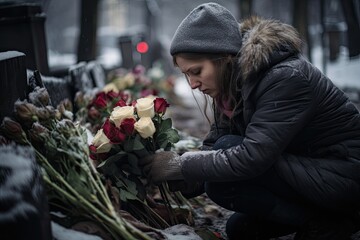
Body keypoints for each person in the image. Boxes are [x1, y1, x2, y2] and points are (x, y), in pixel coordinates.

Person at [139, 2, 360, 239]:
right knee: (239, 229)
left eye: (196, 71)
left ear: (223, 58)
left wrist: (180, 165)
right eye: (186, 75)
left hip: (344, 178)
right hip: (306, 174)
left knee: (227, 156)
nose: (192, 84)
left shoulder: (285, 77)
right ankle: (318, 219)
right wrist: (171, 176)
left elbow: (253, 157)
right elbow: (212, 148)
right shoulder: (230, 84)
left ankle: (336, 220)